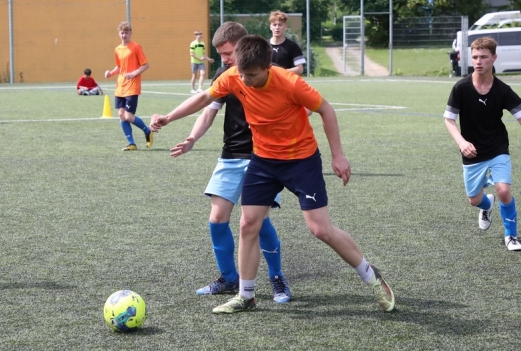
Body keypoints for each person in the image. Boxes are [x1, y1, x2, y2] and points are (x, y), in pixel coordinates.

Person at [151, 35, 395, 314]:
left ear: (267, 67)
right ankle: (246, 296)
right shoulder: (234, 75)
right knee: (247, 224)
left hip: (301, 161)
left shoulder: (290, 83)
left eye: (252, 75)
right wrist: (169, 117)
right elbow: (206, 97)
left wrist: (338, 155)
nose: (244, 80)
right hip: (263, 161)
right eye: (242, 74)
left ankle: (371, 276)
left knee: (320, 229)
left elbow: (326, 110)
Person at [168, 22, 290, 304]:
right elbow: (208, 110)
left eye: (228, 53)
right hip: (231, 154)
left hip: (264, 157)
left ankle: (277, 277)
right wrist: (192, 138)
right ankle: (228, 278)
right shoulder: (224, 75)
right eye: (221, 54)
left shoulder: (268, 73)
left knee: (258, 221)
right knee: (217, 219)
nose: (224, 59)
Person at [443, 37, 521, 252]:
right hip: (472, 152)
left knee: (503, 191)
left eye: (483, 57)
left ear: (494, 58)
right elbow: (449, 119)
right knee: (473, 200)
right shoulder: (461, 88)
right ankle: (487, 205)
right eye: (475, 57)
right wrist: (462, 142)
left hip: (498, 147)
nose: (478, 61)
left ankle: (511, 236)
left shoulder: (502, 89)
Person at [104, 21, 154, 151]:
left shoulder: (136, 47)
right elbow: (119, 67)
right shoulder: (117, 49)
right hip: (120, 87)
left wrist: (133, 74)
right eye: (122, 33)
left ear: (131, 33)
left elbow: (146, 65)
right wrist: (110, 73)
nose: (124, 35)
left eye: (126, 32)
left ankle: (147, 131)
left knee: (128, 116)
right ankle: (131, 144)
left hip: (132, 86)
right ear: (119, 34)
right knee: (121, 115)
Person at [269, 10, 305, 75]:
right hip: (268, 81)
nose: (277, 27)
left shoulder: (293, 46)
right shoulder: (263, 46)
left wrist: (280, 72)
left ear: (285, 27)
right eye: (274, 25)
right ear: (270, 27)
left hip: (285, 80)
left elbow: (300, 69)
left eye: (280, 25)